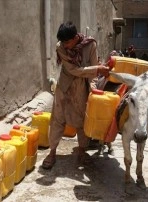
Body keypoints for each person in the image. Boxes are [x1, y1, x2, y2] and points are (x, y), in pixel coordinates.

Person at [41, 21, 110, 169]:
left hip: (81, 88)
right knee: (57, 118)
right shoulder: (60, 47)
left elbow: (93, 71)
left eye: (67, 42)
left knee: (82, 120)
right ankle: (52, 152)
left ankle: (82, 152)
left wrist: (93, 87)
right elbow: (73, 70)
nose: (65, 46)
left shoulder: (90, 45)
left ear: (75, 38)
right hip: (64, 87)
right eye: (63, 42)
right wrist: (97, 69)